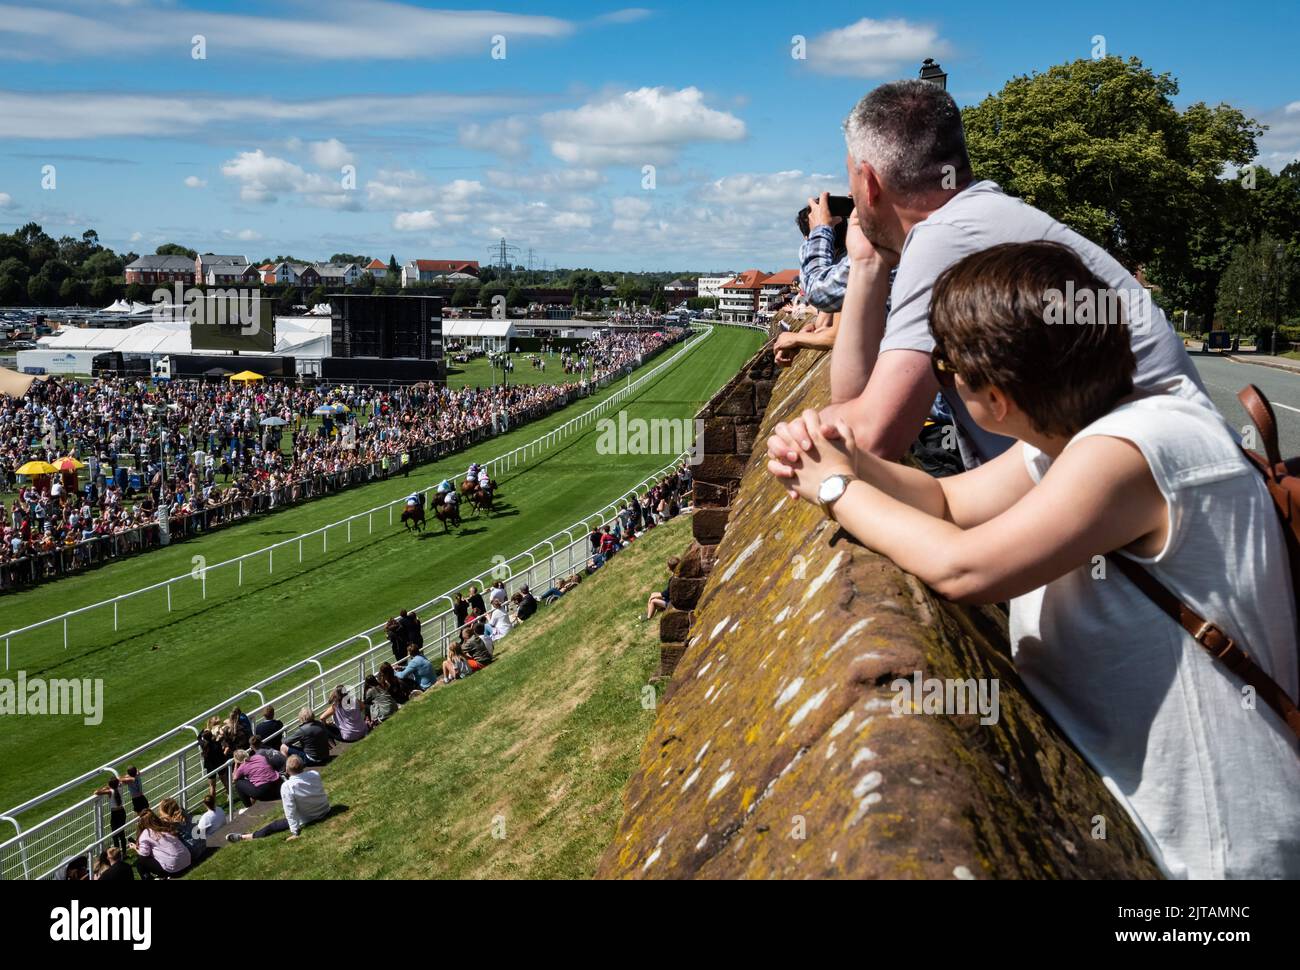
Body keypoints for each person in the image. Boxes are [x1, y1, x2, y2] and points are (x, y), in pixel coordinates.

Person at [767, 240, 1300, 879]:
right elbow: (946, 501)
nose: (945, 378)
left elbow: (964, 567)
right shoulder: (1086, 429)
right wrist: (846, 459)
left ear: (998, 396)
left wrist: (835, 491)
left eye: (945, 366)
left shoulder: (1132, 449)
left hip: (1216, 853)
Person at [775, 79, 1215, 472]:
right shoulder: (977, 216)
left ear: (868, 184)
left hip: (1147, 507)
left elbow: (871, 438)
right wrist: (868, 264)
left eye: (850, 179)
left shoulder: (945, 238)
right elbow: (856, 403)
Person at [226, 756, 330, 843]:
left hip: (309, 817)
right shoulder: (314, 774)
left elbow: (290, 811)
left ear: (287, 770)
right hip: (325, 809)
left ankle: (245, 837)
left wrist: (295, 832)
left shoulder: (287, 786)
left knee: (273, 826)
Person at [131, 809, 191, 879]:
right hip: (187, 861)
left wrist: (135, 848)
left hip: (174, 870)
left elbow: (144, 854)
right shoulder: (165, 825)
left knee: (140, 862)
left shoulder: (146, 833)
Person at [93, 774, 129, 853]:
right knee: (122, 834)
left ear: (110, 785)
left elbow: (96, 792)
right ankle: (124, 853)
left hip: (115, 814)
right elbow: (119, 782)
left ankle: (117, 853)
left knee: (115, 835)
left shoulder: (109, 791)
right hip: (122, 812)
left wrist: (105, 787)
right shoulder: (120, 787)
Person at [644, 557, 680, 621]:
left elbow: (667, 594)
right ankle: (652, 611)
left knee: (653, 601)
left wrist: (658, 595)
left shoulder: (673, 579)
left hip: (671, 603)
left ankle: (648, 618)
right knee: (653, 594)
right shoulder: (679, 575)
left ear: (670, 568)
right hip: (673, 599)